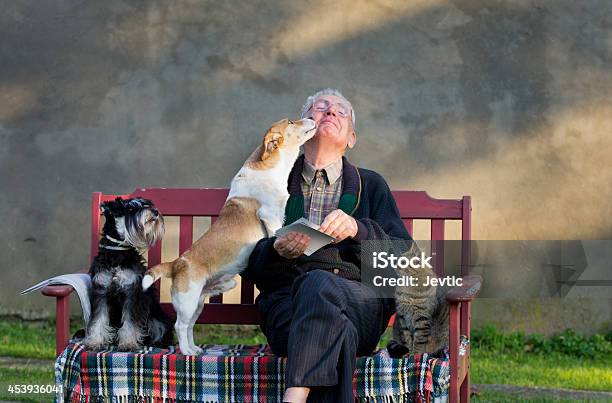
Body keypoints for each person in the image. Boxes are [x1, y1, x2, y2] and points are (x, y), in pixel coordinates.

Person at [241, 88, 413, 403]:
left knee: (320, 285)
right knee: (338, 332)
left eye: (341, 111)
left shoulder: (371, 185)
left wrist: (358, 229)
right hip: (288, 308)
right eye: (321, 107)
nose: (330, 111)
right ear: (303, 126)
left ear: (351, 138)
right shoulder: (270, 185)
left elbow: (401, 252)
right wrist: (277, 251)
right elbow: (248, 264)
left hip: (360, 302)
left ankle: (294, 396)